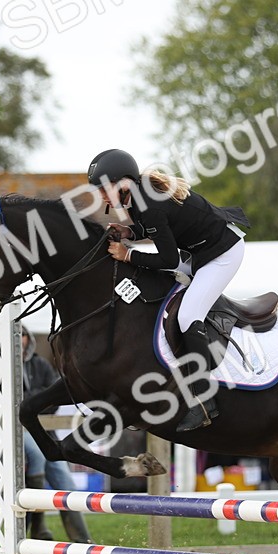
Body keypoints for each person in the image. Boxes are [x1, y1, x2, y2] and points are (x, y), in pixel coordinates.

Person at [88, 148, 250, 432]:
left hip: (222, 254)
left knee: (188, 316)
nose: (101, 196)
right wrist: (130, 234)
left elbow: (168, 259)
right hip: (200, 252)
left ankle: (203, 400)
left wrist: (128, 256)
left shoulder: (148, 202)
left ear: (123, 183)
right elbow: (156, 229)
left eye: (104, 188)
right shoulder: (138, 196)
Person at [21, 330, 92, 544]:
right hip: (14, 432)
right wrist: (36, 400)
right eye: (19, 335)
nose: (21, 340)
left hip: (42, 431)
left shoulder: (40, 364)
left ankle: (82, 540)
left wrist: (29, 403)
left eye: (24, 335)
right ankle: (39, 525)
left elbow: (53, 399)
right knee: (38, 457)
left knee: (65, 480)